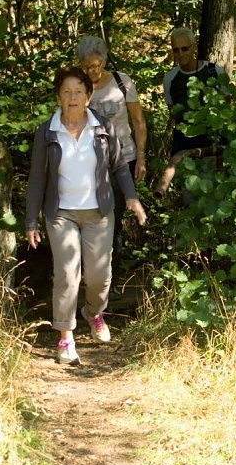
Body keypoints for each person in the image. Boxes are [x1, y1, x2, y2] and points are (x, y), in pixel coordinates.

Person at [25, 66, 147, 365]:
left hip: (99, 212)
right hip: (61, 213)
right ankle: (65, 337)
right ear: (58, 96)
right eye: (66, 92)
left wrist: (131, 197)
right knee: (67, 274)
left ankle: (93, 313)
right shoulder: (47, 131)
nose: (73, 97)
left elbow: (119, 166)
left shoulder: (102, 127)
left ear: (88, 97)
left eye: (79, 92)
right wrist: (31, 221)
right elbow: (37, 178)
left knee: (99, 278)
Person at [76, 35, 147, 293]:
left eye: (96, 65)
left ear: (104, 61)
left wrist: (141, 156)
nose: (92, 71)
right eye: (87, 67)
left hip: (122, 161)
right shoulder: (77, 87)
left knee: (112, 222)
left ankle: (111, 283)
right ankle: (89, 281)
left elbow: (138, 121)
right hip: (87, 165)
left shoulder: (121, 82)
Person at [162, 27, 227, 155]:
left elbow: (227, 105)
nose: (181, 54)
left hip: (214, 139)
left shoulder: (214, 71)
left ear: (194, 47)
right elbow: (173, 111)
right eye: (176, 50)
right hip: (184, 141)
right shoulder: (170, 79)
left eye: (184, 48)